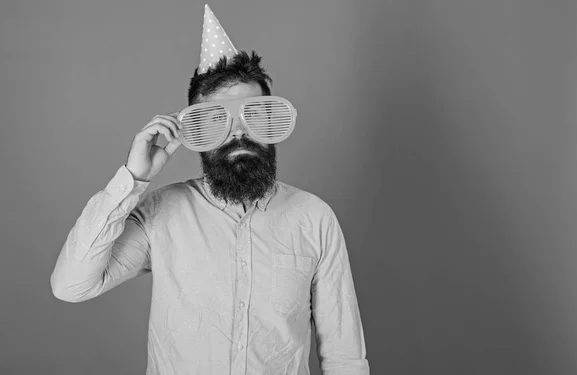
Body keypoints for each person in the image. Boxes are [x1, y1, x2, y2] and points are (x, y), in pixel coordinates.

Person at [50, 5, 369, 375]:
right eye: (217, 120)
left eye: (253, 115)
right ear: (197, 134)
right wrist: (133, 178)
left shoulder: (315, 219)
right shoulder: (161, 213)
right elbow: (70, 285)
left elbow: (345, 357)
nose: (238, 133)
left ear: (269, 120)